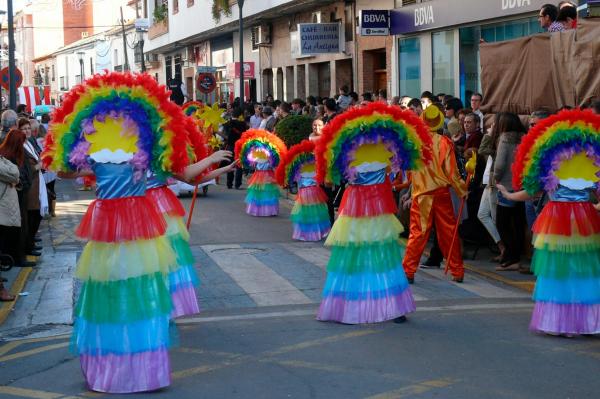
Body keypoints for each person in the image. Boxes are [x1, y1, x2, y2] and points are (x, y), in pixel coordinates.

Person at [42, 72, 201, 393]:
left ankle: (111, 372)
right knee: (137, 292)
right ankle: (141, 372)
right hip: (135, 228)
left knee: (112, 293)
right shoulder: (144, 151)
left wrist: (73, 143)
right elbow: (181, 169)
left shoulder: (105, 154)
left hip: (116, 228)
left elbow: (61, 169)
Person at [315, 102, 430, 324]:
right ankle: (393, 308)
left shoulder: (349, 148)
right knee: (380, 253)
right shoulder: (386, 145)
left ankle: (355, 306)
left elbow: (331, 179)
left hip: (365, 207)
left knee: (363, 253)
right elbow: (404, 165)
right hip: (372, 207)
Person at [497, 109, 600, 336]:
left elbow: (531, 191)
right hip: (584, 218)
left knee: (558, 271)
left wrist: (509, 194)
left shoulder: (550, 158)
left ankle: (559, 323)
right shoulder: (591, 157)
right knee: (581, 270)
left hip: (558, 218)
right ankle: (584, 323)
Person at [403, 105, 467, 283]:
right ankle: (457, 270)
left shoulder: (415, 143)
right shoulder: (445, 142)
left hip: (422, 196)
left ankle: (408, 271)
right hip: (441, 194)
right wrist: (462, 190)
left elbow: (408, 169)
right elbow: (452, 173)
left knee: (417, 233)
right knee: (448, 232)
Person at [276, 140, 330, 241]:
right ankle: (315, 233)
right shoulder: (309, 160)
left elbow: (293, 176)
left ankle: (307, 233)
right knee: (314, 212)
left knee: (307, 212)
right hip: (312, 191)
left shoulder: (299, 161)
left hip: (309, 191)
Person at [492, 113, 527, 271]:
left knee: (502, 223)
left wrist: (495, 178)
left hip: (506, 185)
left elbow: (499, 164)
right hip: (522, 187)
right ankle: (515, 256)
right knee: (518, 224)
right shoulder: (525, 137)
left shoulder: (505, 138)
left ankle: (511, 257)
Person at [235, 129, 287, 217]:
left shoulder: (271, 151)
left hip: (266, 174)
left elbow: (274, 163)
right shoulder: (256, 150)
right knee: (261, 191)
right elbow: (252, 161)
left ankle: (266, 210)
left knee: (265, 192)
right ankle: (262, 210)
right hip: (261, 174)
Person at [0, 129, 29, 274]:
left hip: (14, 196)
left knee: (15, 229)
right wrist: (16, 178)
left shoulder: (6, 156)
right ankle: (15, 257)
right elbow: (14, 173)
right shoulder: (7, 155)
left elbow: (15, 173)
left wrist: (16, 177)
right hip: (8, 199)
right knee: (11, 231)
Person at [477, 114, 505, 262]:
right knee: (482, 214)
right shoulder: (496, 140)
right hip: (488, 181)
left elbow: (482, 150)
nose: (489, 127)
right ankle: (502, 246)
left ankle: (504, 249)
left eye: (492, 125)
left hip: (494, 183)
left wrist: (488, 135)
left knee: (495, 218)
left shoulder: (501, 141)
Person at [19, 118, 48, 259]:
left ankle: (30, 244)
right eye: (23, 129)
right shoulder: (21, 146)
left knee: (36, 216)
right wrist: (38, 166)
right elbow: (25, 168)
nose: (27, 131)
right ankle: (28, 247)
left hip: (37, 185)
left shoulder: (29, 143)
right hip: (30, 188)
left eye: (28, 128)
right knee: (32, 217)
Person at [222, 107, 248, 189]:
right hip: (240, 145)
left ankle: (229, 183)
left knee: (230, 164)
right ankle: (238, 184)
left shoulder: (228, 123)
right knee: (239, 164)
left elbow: (225, 135)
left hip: (230, 145)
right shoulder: (243, 124)